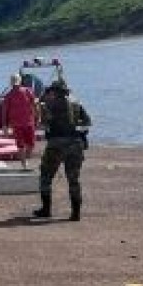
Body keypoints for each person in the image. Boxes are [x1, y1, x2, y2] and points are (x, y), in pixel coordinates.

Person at [34, 80, 92, 221]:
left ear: (54, 91)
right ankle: (75, 213)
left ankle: (46, 210)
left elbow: (43, 125)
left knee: (46, 176)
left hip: (55, 144)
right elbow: (88, 122)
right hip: (75, 144)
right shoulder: (76, 104)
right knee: (73, 180)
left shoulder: (49, 105)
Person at [2, 73, 38, 169]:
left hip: (27, 122)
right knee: (22, 144)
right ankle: (24, 163)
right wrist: (4, 125)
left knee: (29, 144)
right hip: (18, 123)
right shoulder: (9, 95)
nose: (15, 85)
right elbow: (5, 111)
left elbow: (34, 105)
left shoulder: (27, 91)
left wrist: (38, 117)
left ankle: (25, 159)